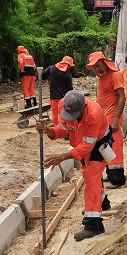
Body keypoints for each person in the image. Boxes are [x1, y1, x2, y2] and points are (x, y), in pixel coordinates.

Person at [36, 89, 113, 241]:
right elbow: (63, 129)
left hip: (98, 144)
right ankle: (102, 203)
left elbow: (87, 146)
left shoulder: (94, 114)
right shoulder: (64, 105)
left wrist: (62, 157)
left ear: (83, 107)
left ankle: (94, 224)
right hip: (82, 144)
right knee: (87, 173)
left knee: (91, 179)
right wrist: (48, 131)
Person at [85, 51, 126, 189]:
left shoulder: (115, 75)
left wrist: (116, 120)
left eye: (98, 66)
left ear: (104, 62)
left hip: (113, 117)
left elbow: (122, 97)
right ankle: (111, 173)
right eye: (95, 67)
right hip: (104, 118)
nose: (97, 69)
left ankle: (118, 179)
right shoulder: (103, 77)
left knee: (115, 147)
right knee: (107, 146)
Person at [41, 56, 74, 125]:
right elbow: (70, 88)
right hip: (64, 99)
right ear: (68, 65)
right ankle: (63, 129)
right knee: (64, 116)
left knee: (55, 116)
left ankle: (56, 129)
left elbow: (41, 75)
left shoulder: (51, 68)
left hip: (53, 98)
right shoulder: (68, 73)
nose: (70, 67)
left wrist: (49, 78)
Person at [17, 45, 37, 109]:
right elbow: (34, 66)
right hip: (32, 74)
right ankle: (35, 103)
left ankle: (29, 105)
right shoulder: (30, 56)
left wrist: (22, 70)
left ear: (19, 50)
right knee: (31, 88)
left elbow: (21, 62)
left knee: (25, 89)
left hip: (26, 74)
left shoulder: (21, 55)